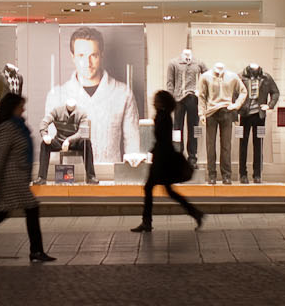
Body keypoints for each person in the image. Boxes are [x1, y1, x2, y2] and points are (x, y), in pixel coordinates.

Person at [43, 26, 142, 179]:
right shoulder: (57, 96)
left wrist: (129, 183)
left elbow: (133, 148)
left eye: (93, 55)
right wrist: (62, 187)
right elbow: (54, 152)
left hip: (111, 181)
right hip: (71, 181)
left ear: (101, 55)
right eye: (81, 55)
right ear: (73, 56)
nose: (87, 63)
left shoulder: (123, 94)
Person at [0, 93, 55, 262]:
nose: (23, 109)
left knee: (1, 213)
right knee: (31, 208)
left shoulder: (17, 125)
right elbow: (0, 154)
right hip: (11, 178)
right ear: (13, 108)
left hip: (18, 177)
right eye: (20, 106)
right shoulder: (7, 127)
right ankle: (36, 250)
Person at [133, 90, 203, 233]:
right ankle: (195, 213)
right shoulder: (163, 115)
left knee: (151, 188)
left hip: (162, 159)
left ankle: (147, 222)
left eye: (156, 99)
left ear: (162, 102)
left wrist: (154, 151)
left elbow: (163, 140)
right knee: (167, 190)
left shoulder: (163, 117)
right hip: (162, 157)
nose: (154, 102)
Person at [35, 98, 97, 183]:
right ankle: (41, 178)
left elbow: (81, 132)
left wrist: (69, 140)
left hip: (75, 142)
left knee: (87, 142)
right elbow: (44, 122)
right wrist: (44, 135)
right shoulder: (57, 110)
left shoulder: (82, 113)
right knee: (45, 144)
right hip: (59, 141)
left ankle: (91, 177)